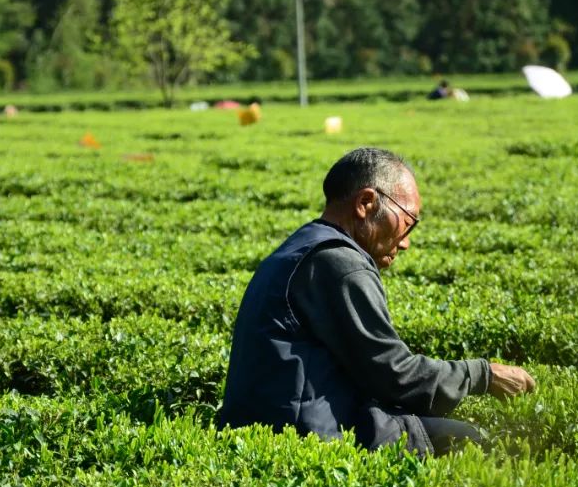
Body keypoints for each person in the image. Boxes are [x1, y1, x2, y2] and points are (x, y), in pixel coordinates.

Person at [218, 146, 536, 456]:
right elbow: (396, 376)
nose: (407, 243)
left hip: (276, 424)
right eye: (408, 222)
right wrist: (483, 375)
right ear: (366, 203)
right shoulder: (340, 263)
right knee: (472, 440)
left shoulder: (303, 245)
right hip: (307, 436)